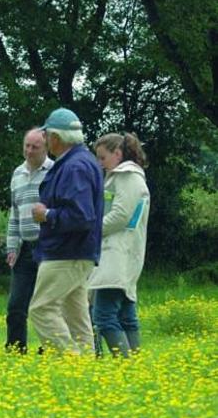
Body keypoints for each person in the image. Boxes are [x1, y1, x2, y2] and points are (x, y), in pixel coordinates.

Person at [28, 108, 104, 354]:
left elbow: (81, 216)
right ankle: (86, 375)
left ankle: (71, 362)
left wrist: (46, 214)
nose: (46, 140)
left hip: (65, 252)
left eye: (47, 135)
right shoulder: (82, 162)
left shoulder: (74, 167)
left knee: (41, 309)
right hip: (79, 252)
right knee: (76, 315)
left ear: (56, 139)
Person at [88, 133, 150, 357]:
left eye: (102, 158)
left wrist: (91, 231)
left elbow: (120, 215)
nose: (99, 163)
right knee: (125, 314)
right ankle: (133, 368)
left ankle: (125, 364)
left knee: (103, 316)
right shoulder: (127, 177)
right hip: (121, 252)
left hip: (116, 253)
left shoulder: (126, 177)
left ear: (118, 154)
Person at [4, 129, 54, 353]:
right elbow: (14, 214)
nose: (29, 151)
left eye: (35, 147)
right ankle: (16, 349)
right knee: (16, 304)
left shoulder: (54, 171)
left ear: (46, 148)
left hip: (48, 245)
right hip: (24, 247)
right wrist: (12, 246)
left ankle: (50, 347)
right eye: (26, 146)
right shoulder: (17, 174)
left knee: (49, 303)